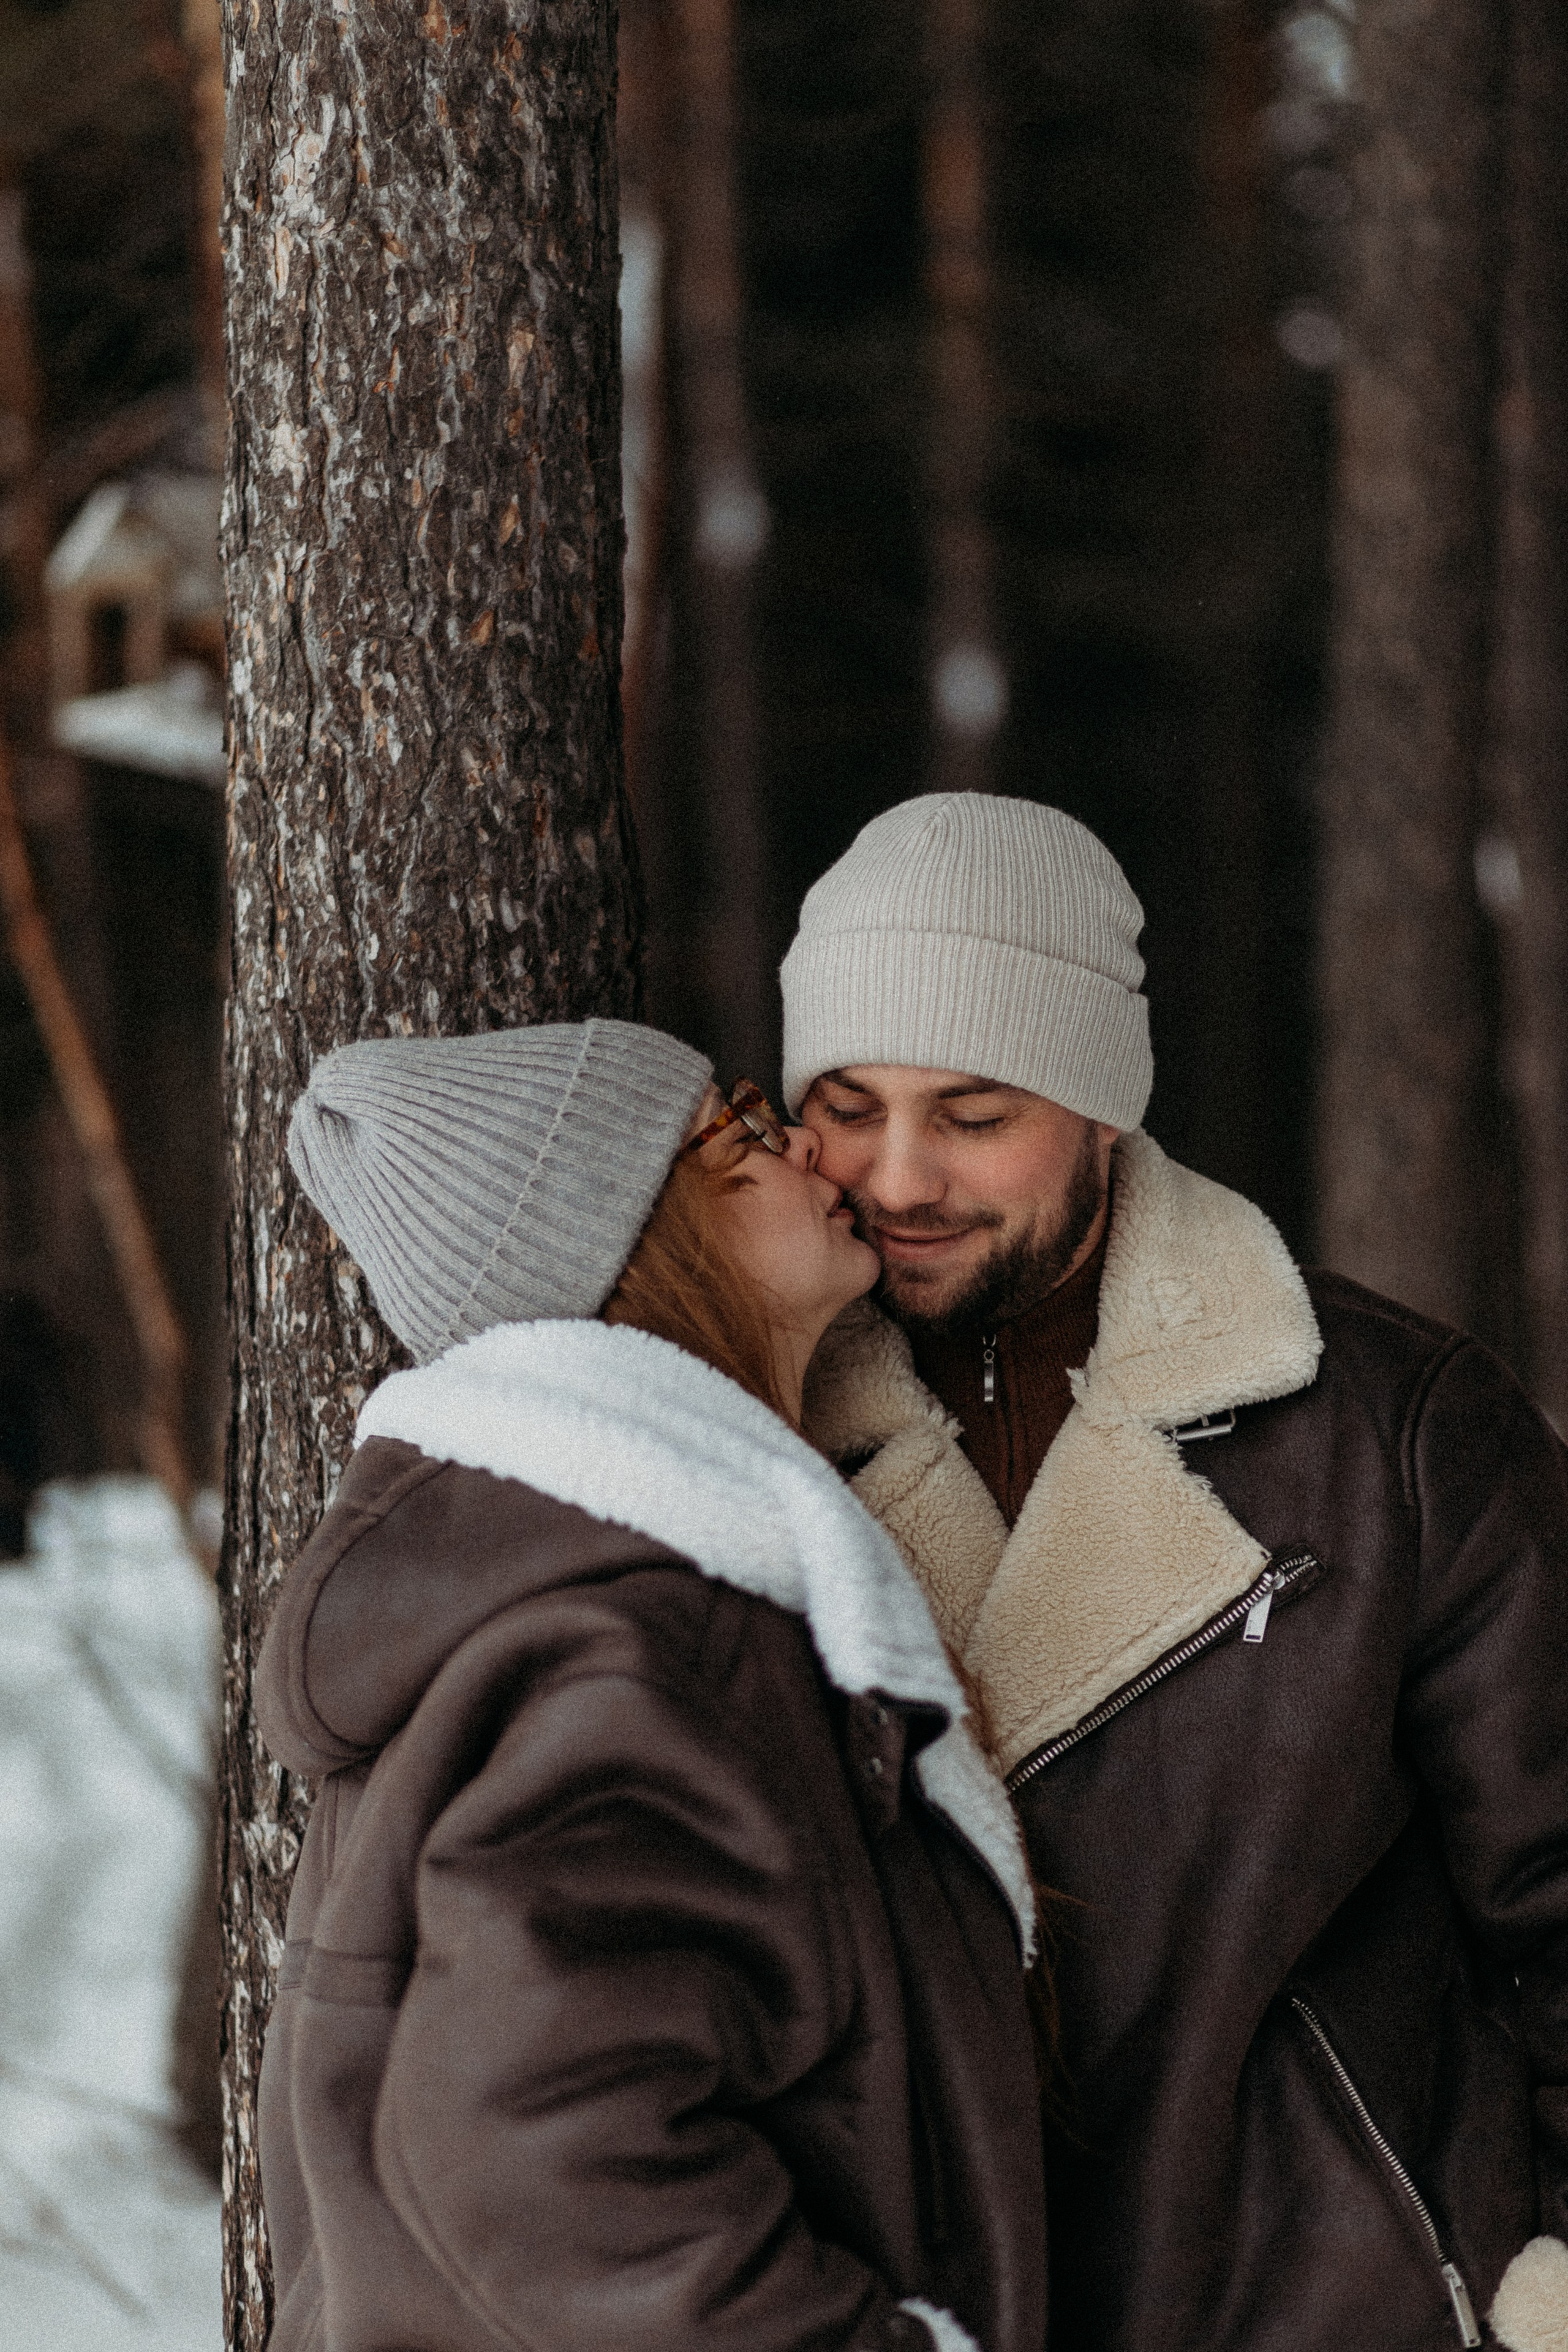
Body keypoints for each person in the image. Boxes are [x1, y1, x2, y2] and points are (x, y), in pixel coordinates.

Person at [782, 792, 1568, 2352]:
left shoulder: (1393, 1432)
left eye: (974, 1111)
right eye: (847, 1103)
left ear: (1100, 1105)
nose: (897, 1175)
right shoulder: (749, 1436)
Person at [254, 1018, 1046, 2352]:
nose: (800, 1140)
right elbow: (527, 2144)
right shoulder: (650, 1631)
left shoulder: (541, 1584)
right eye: (731, 1134)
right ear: (635, 1234)